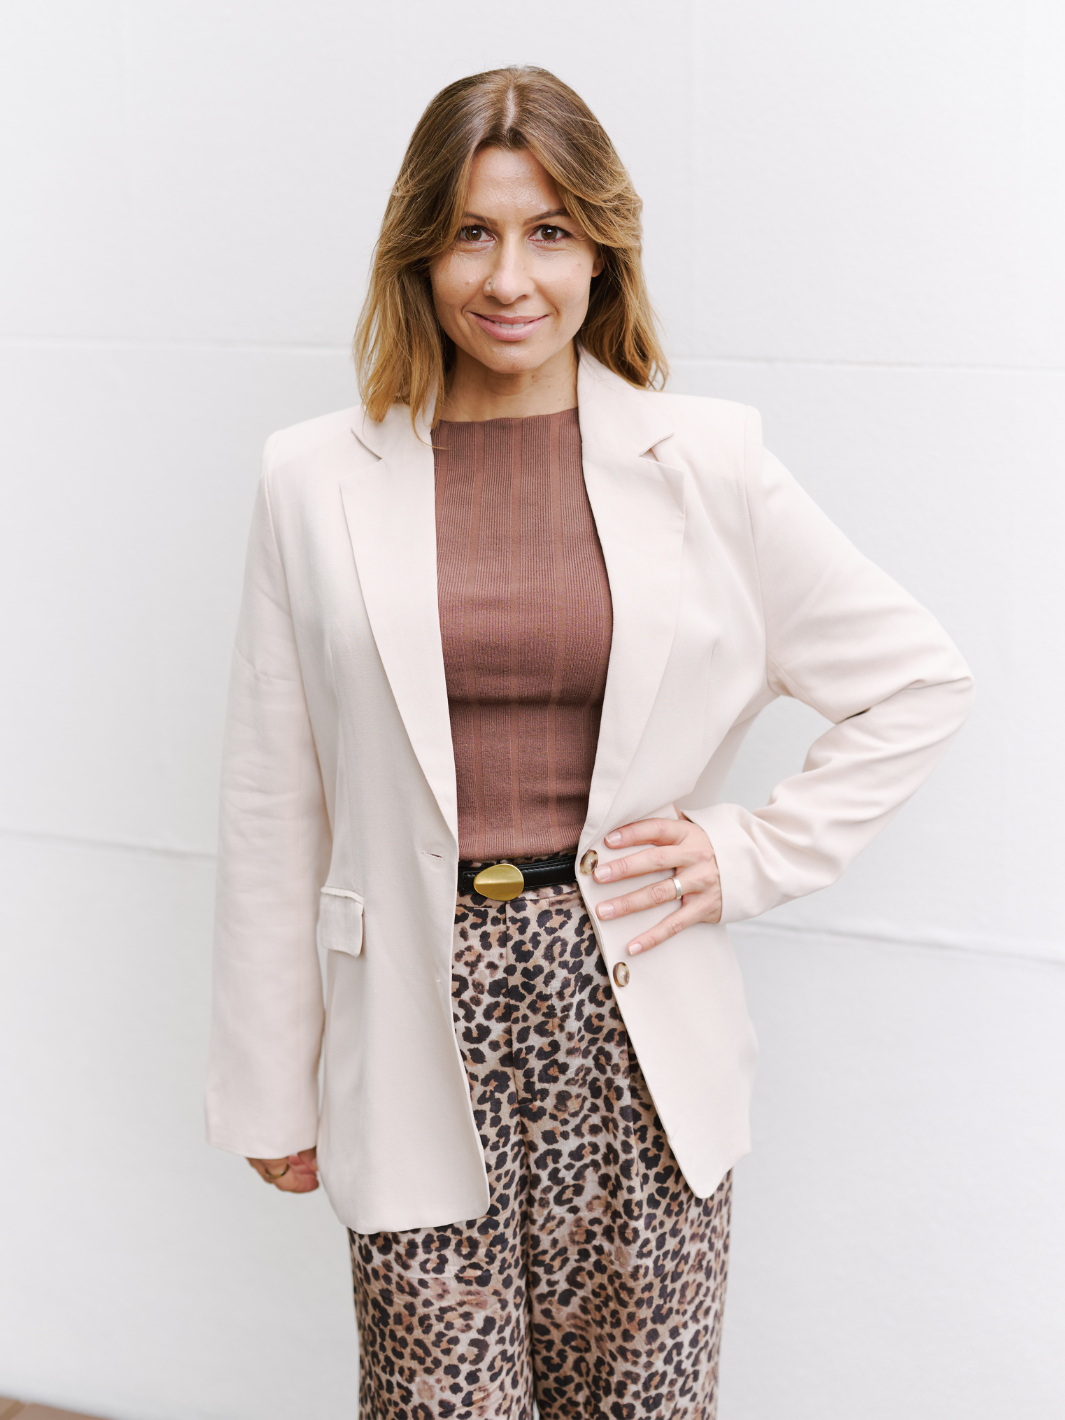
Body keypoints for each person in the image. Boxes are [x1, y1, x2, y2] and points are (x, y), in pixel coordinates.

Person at [206, 65, 974, 1419]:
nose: (510, 278)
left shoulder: (710, 462)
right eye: (472, 232)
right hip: (416, 1020)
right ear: (418, 249)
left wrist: (745, 854)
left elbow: (917, 679)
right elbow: (277, 798)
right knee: (435, 1400)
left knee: (641, 1405)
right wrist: (270, 1083)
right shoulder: (312, 478)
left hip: (635, 1021)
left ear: (603, 251)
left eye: (549, 232)